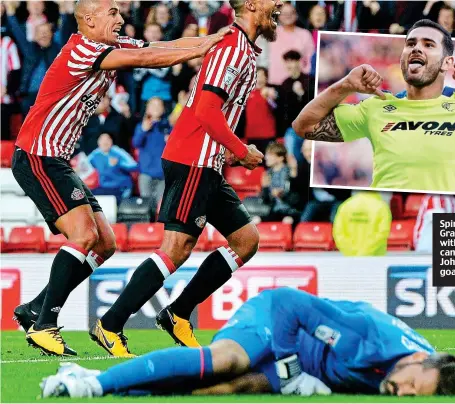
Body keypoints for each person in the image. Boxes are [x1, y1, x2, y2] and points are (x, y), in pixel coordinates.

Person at [10, 0, 231, 357]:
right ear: (90, 19)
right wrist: (206, 47)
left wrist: (211, 39)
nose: (120, 17)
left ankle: (36, 307)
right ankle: (44, 324)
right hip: (38, 155)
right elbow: (148, 61)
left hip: (57, 159)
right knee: (84, 235)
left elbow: (160, 48)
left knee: (105, 243)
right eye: (112, 12)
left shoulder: (113, 46)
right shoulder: (83, 48)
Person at [90, 0, 282, 357]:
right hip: (192, 158)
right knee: (175, 250)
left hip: (205, 161)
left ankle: (177, 313)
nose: (282, 6)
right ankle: (111, 324)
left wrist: (227, 148)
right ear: (253, 5)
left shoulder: (242, 49)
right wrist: (240, 149)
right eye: (274, 1)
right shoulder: (232, 49)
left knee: (245, 240)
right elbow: (206, 109)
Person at [292, 19, 455, 194]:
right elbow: (304, 126)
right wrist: (346, 85)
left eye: (428, 45)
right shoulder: (376, 107)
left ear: (447, 63)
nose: (415, 49)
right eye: (410, 44)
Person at [41, 288, 455, 398]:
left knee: (228, 388)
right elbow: (287, 303)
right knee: (228, 360)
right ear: (418, 357)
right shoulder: (366, 337)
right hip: (274, 321)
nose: (403, 393)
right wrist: (292, 369)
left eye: (416, 397)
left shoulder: (418, 366)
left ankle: (118, 386)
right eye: (412, 384)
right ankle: (93, 382)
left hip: (308, 361)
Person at [132, 97, 170, 209]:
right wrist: (143, 130)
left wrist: (171, 141)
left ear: (163, 109)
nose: (156, 108)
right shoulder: (141, 126)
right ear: (147, 109)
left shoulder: (168, 127)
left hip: (163, 174)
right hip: (146, 173)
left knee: (161, 207)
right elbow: (136, 143)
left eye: (159, 105)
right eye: (153, 105)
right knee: (146, 208)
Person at [333, 191, 392, 256]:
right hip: (375, 259)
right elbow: (382, 232)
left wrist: (352, 252)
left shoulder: (346, 205)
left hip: (350, 258)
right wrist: (365, 252)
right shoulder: (382, 207)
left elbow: (338, 233)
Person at [88, 133, 138, 203]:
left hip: (122, 187)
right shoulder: (95, 154)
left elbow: (135, 166)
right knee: (88, 197)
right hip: (105, 187)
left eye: (107, 139)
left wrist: (119, 163)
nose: (105, 142)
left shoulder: (118, 152)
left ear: (111, 141)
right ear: (98, 142)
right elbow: (84, 167)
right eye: (102, 139)